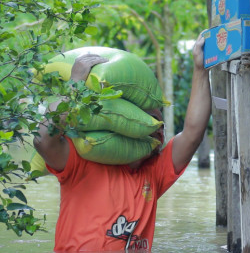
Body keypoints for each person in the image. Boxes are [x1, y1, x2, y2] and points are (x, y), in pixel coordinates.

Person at [34, 34, 210, 252]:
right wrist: (75, 86)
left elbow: (193, 132)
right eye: (149, 120)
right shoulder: (83, 159)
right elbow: (43, 139)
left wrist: (201, 70)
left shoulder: (153, 174)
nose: (158, 128)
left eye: (158, 123)